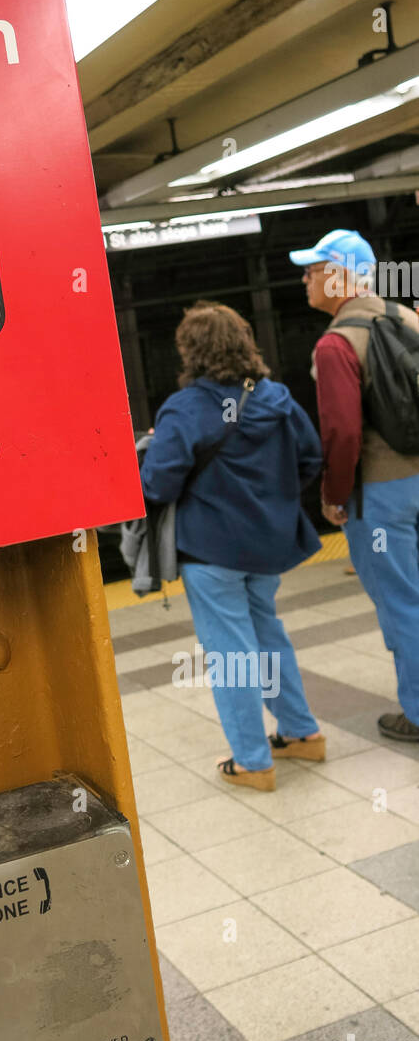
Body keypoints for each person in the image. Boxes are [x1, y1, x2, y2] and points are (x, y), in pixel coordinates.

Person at [139, 302, 324, 791]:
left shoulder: (187, 408)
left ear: (191, 352)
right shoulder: (277, 397)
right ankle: (302, 732)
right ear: (245, 342)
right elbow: (310, 458)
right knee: (267, 638)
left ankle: (253, 761)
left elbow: (157, 485)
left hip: (212, 551)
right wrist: (273, 498)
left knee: (232, 655)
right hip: (269, 546)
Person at [290, 228, 419, 743]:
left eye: (314, 270)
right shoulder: (409, 317)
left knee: (403, 603)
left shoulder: (336, 344)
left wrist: (334, 495)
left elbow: (342, 433)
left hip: (382, 496)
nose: (305, 279)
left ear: (342, 276)